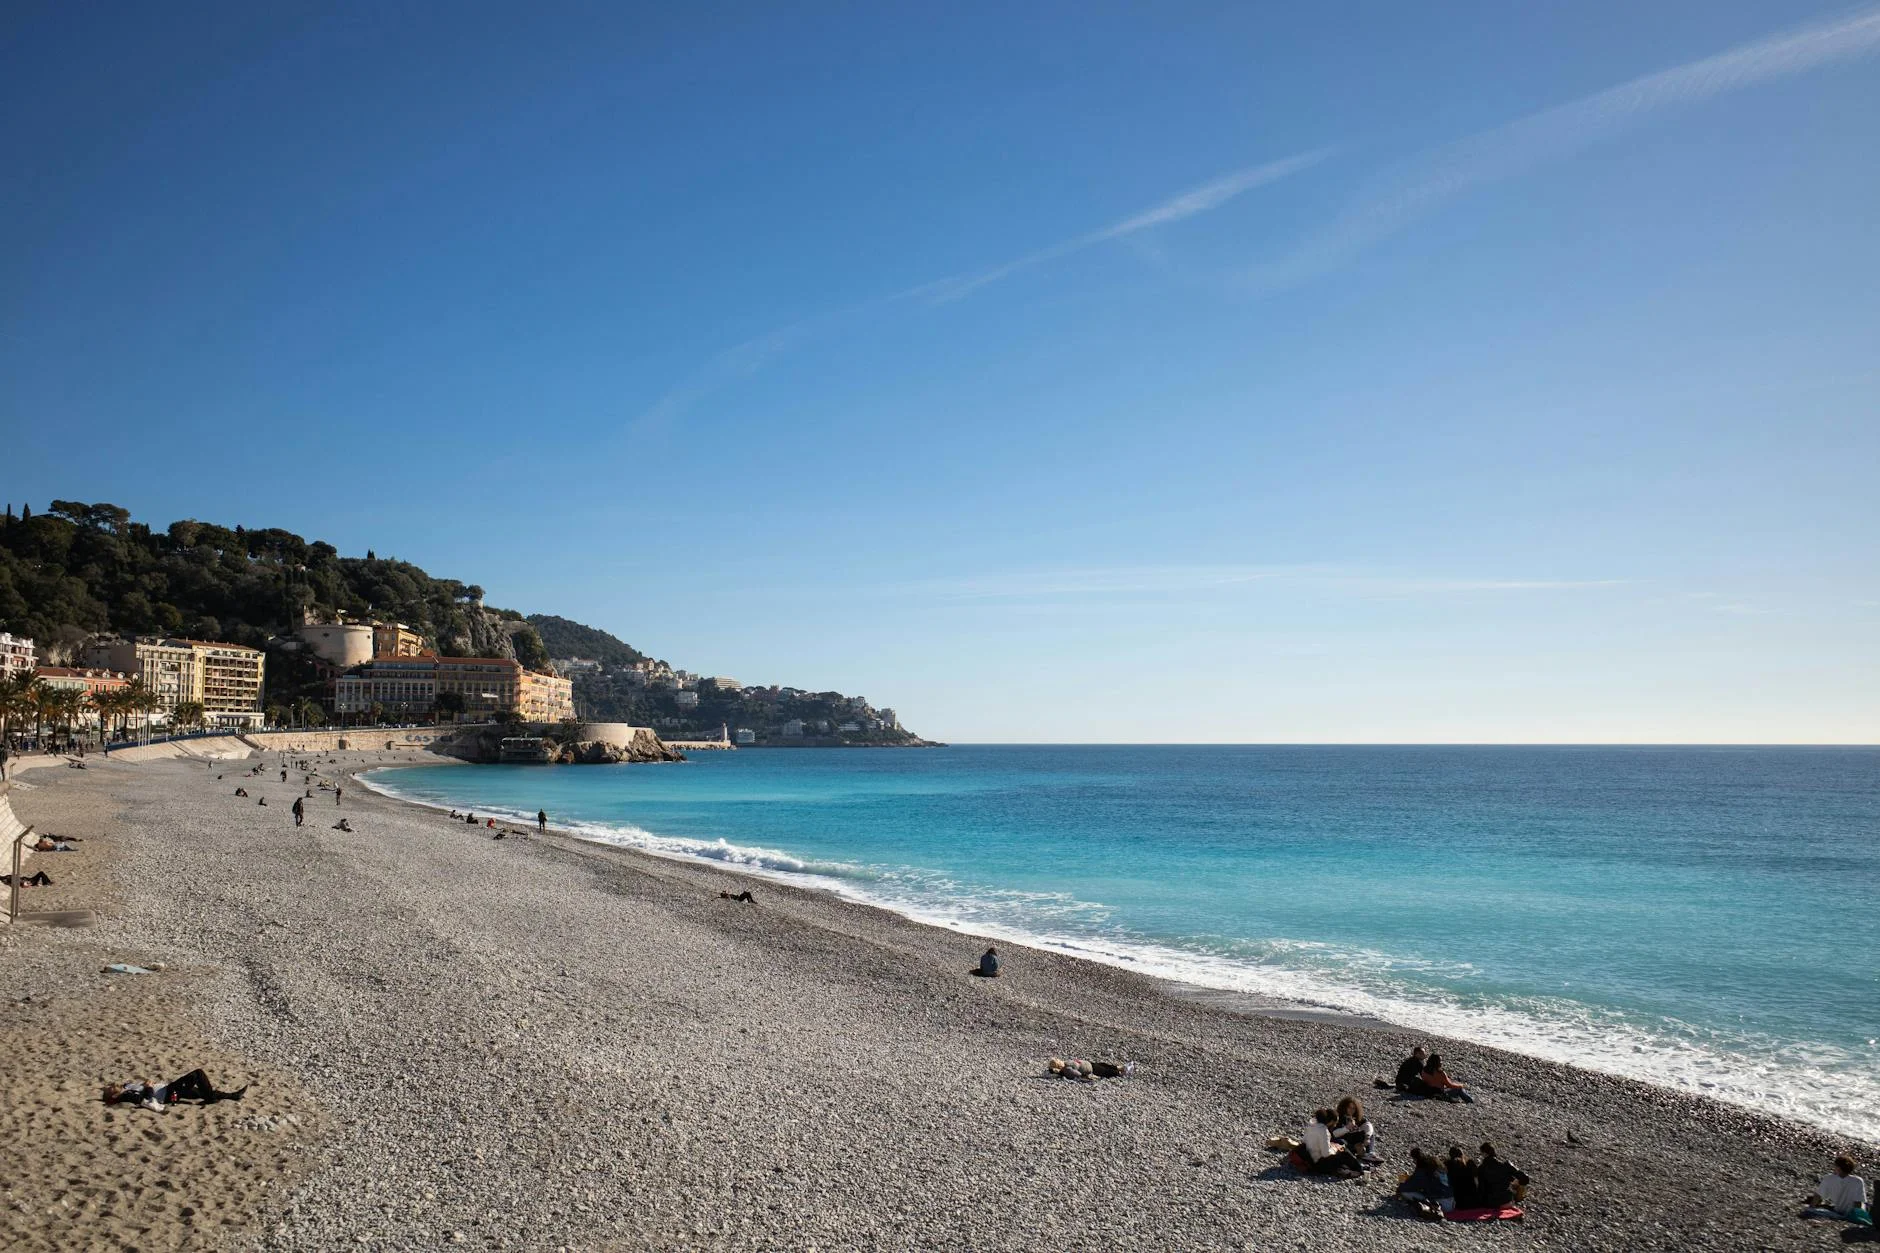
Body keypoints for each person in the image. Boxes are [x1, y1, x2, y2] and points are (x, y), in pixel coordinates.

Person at [103, 1069, 248, 1109]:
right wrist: (148, 1087)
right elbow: (147, 1099)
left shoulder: (127, 1086)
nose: (111, 1086)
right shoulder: (127, 1095)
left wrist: (147, 1082)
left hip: (168, 1088)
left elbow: (145, 1086)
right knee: (198, 1074)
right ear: (114, 1096)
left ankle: (233, 1096)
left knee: (201, 1092)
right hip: (169, 1093)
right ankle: (211, 1099)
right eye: (110, 1089)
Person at [1804, 1155, 1871, 1222]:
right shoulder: (1858, 1181)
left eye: (1835, 1166)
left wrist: (1810, 1208)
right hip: (1852, 1213)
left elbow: (1818, 1196)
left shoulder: (1828, 1179)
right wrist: (1857, 1216)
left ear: (1838, 1168)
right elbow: (1858, 1202)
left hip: (1838, 1210)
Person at [1301, 1108, 1365, 1177]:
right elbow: (1326, 1154)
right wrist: (1335, 1149)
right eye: (1335, 1123)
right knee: (1344, 1153)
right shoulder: (1324, 1131)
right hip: (1318, 1165)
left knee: (1339, 1147)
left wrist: (1332, 1146)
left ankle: (1345, 1170)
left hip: (1308, 1158)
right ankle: (1360, 1170)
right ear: (1331, 1121)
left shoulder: (1312, 1125)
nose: (1335, 1125)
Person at [1399, 1147, 1454, 1218]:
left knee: (1405, 1193)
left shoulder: (1423, 1171)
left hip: (1441, 1204)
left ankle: (1427, 1204)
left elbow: (1407, 1187)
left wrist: (1402, 1182)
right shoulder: (1439, 1169)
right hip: (1453, 1201)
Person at [1475, 1142, 1529, 1207]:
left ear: (1484, 1153)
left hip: (1489, 1202)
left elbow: (1481, 1188)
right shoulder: (1506, 1164)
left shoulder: (1481, 1168)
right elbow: (1525, 1178)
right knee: (1515, 1184)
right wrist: (1516, 1183)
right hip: (1505, 1200)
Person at [1332, 1096, 1377, 1162]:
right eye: (1349, 1107)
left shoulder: (1357, 1118)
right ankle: (1358, 1152)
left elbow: (1368, 1125)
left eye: (1353, 1108)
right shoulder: (1339, 1118)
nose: (1351, 1110)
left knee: (1371, 1133)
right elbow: (1334, 1134)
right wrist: (1347, 1128)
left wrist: (1367, 1137)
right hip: (1345, 1142)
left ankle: (1369, 1152)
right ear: (1344, 1107)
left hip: (1357, 1140)